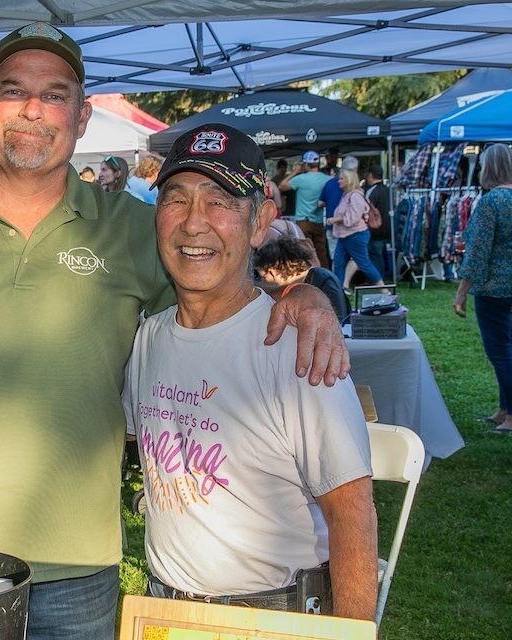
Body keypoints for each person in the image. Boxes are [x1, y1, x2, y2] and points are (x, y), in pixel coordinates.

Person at [0, 23, 346, 639]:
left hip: (79, 566)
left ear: (83, 116)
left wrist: (305, 295)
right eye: (13, 90)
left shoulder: (134, 229)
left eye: (56, 94)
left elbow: (219, 282)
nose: (33, 109)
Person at [125, 124, 376, 620]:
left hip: (269, 616)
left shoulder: (297, 347)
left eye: (220, 201)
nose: (194, 224)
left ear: (261, 222)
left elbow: (352, 516)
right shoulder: (148, 340)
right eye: (176, 200)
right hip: (164, 611)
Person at [454, 143, 512, 435]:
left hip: (497, 287)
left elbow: (478, 252)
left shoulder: (491, 202)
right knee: (507, 348)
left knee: (501, 352)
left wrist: (462, 291)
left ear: (488, 168)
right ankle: (505, 409)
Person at [255, 235, 348, 322]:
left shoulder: (324, 280)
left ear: (273, 273)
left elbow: (338, 322)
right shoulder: (298, 286)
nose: (258, 283)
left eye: (260, 276)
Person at [325, 169, 385, 290]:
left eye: (342, 179)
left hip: (356, 235)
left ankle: (384, 289)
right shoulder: (346, 195)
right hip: (345, 236)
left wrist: (335, 219)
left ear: (349, 180)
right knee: (338, 263)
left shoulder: (355, 195)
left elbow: (352, 219)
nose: (339, 181)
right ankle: (339, 290)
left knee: (364, 263)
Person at [279, 151, 332, 270]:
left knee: (303, 252)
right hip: (318, 221)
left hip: (303, 221)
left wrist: (294, 172)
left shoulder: (301, 179)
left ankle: (306, 277)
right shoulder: (327, 179)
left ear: (306, 164)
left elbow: (282, 186)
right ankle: (325, 277)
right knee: (321, 252)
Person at [364, 167, 392, 281]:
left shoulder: (373, 191)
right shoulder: (387, 190)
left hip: (375, 229)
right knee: (381, 254)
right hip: (387, 228)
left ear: (371, 175)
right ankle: (383, 275)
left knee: (375, 255)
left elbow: (366, 208)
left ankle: (378, 278)